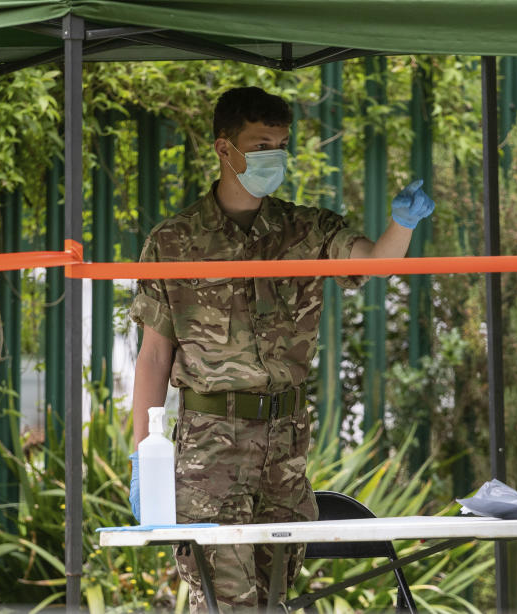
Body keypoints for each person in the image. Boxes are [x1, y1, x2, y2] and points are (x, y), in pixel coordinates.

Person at [127, 86, 434, 611]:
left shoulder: (305, 229)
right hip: (210, 451)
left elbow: (372, 263)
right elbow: (154, 356)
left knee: (274, 599)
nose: (275, 154)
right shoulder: (173, 241)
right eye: (261, 142)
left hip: (284, 450)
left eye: (281, 143)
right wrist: (141, 458)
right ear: (226, 149)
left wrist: (400, 225)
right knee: (228, 600)